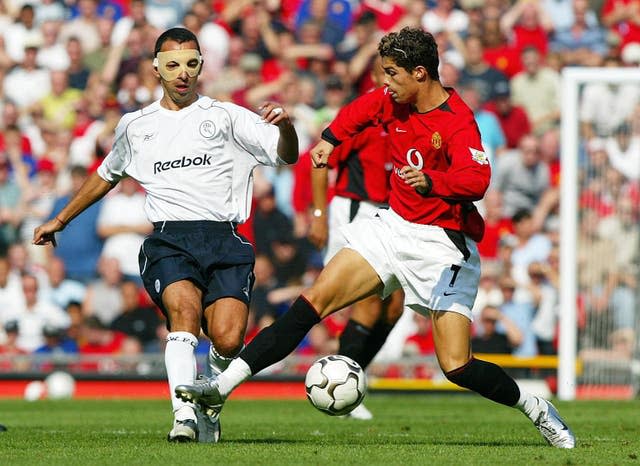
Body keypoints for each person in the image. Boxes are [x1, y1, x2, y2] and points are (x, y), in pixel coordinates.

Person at [175, 27, 575, 449]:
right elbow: (358, 112)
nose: (385, 82)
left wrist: (432, 181)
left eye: (391, 73)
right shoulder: (390, 101)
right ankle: (220, 386)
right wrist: (329, 141)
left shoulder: (456, 121)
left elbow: (477, 178)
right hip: (390, 229)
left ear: (419, 73)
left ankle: (535, 407)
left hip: (443, 247)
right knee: (310, 305)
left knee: (456, 365)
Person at [33, 27, 299, 443]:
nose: (182, 73)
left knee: (228, 341)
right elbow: (106, 175)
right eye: (172, 64)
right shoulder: (136, 126)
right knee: (184, 318)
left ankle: (210, 399)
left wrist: (286, 126)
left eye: (191, 64)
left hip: (224, 238)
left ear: (201, 67)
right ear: (155, 68)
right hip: (170, 239)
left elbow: (286, 154)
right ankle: (183, 416)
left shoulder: (226, 116)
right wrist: (60, 219)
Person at [308, 56, 404, 420]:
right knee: (367, 299)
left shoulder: (405, 120)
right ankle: (343, 386)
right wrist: (318, 214)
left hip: (391, 215)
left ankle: (349, 379)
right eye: (388, 74)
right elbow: (319, 160)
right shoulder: (363, 120)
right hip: (356, 211)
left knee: (394, 307)